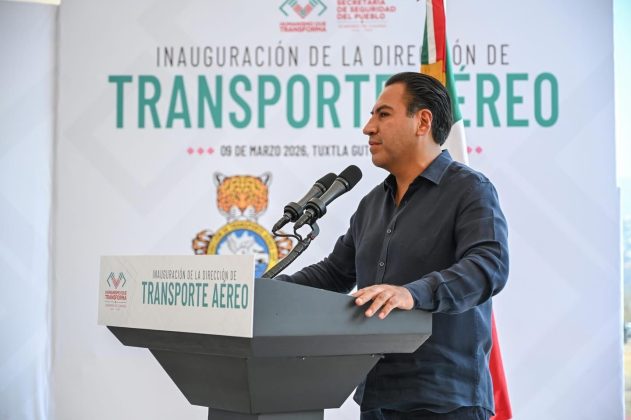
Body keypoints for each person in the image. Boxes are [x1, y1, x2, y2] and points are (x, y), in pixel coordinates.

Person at [278, 72, 509, 420]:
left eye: (383, 114)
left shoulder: (469, 189)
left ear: (423, 122)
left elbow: (488, 266)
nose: (368, 128)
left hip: (445, 401)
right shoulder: (372, 204)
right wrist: (265, 292)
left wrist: (413, 294)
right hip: (377, 398)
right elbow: (335, 274)